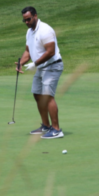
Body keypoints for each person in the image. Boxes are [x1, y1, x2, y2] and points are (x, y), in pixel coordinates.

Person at [17, 7, 64, 139]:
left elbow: (51, 52)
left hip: (53, 66)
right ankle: (46, 125)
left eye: (28, 19)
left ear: (35, 16)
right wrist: (21, 63)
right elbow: (28, 51)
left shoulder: (45, 30)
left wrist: (35, 64)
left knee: (47, 96)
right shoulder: (29, 32)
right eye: (24, 20)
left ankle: (56, 130)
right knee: (37, 94)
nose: (26, 22)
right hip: (41, 67)